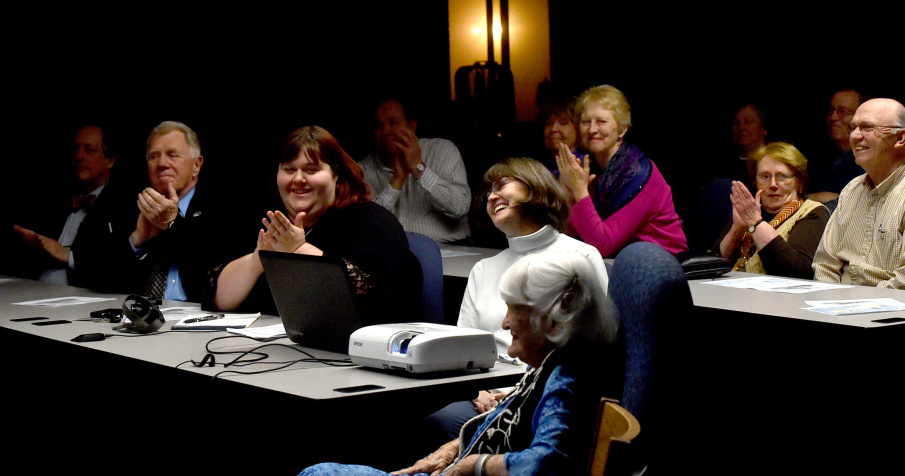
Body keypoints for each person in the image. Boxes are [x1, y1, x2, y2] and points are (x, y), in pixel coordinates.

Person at [229, 251, 618, 476]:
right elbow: (515, 430)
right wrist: (454, 449)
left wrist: (474, 465)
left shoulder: (568, 382)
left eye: (514, 309)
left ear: (551, 319)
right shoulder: (556, 365)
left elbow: (547, 464)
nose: (503, 321)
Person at [426, 157, 609, 443]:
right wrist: (478, 392)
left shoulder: (581, 257)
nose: (492, 196)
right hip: (483, 393)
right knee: (434, 419)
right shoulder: (483, 269)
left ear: (535, 187)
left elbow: (590, 349)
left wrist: (519, 390)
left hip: (547, 389)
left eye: (502, 185)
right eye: (488, 193)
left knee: (449, 423)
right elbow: (462, 352)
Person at [207, 125, 420, 324]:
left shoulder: (372, 222)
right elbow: (218, 299)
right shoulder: (267, 223)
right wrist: (258, 259)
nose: (298, 179)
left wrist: (300, 250)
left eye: (311, 170)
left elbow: (379, 299)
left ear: (336, 175)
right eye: (289, 170)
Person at [812, 98, 905, 291]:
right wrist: (828, 301)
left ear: (900, 138)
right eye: (853, 128)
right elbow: (825, 263)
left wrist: (850, 307)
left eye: (867, 127)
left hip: (901, 314)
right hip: (842, 308)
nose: (855, 136)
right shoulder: (852, 189)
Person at [556, 84, 687, 257]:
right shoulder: (590, 167)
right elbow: (570, 238)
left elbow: (602, 245)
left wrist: (579, 191)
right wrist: (569, 195)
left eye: (601, 121)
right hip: (620, 263)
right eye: (586, 122)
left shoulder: (637, 172)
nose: (592, 129)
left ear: (622, 129)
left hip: (661, 267)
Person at [9, 124, 134, 291]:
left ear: (110, 160)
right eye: (75, 149)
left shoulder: (123, 205)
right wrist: (34, 246)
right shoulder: (52, 199)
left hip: (84, 303)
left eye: (89, 150)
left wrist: (69, 256)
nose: (79, 156)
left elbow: (118, 268)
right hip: (32, 292)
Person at [359, 97, 472, 244]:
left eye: (393, 123)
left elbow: (459, 208)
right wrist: (397, 180)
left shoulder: (442, 150)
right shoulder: (363, 169)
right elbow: (368, 227)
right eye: (378, 126)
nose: (385, 131)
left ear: (411, 127)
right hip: (396, 253)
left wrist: (419, 169)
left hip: (451, 248)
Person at [128, 121, 218, 302]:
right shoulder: (137, 205)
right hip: (141, 316)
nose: (162, 163)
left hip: (198, 315)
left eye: (172, 155)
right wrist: (138, 241)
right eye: (154, 156)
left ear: (196, 165)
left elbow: (212, 267)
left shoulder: (220, 207)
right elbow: (103, 279)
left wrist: (172, 223)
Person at [714, 142, 831, 279]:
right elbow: (713, 264)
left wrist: (756, 223)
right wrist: (737, 229)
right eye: (765, 176)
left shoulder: (813, 214)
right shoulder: (749, 210)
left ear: (800, 182)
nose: (773, 184)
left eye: (782, 176)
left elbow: (797, 272)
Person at [810, 89, 866, 202]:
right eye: (831, 111)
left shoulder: (872, 164)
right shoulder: (819, 161)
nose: (833, 118)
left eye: (843, 111)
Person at [539, 99, 584, 179]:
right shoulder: (540, 168)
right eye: (549, 123)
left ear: (578, 130)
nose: (553, 129)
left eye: (563, 123)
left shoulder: (584, 167)